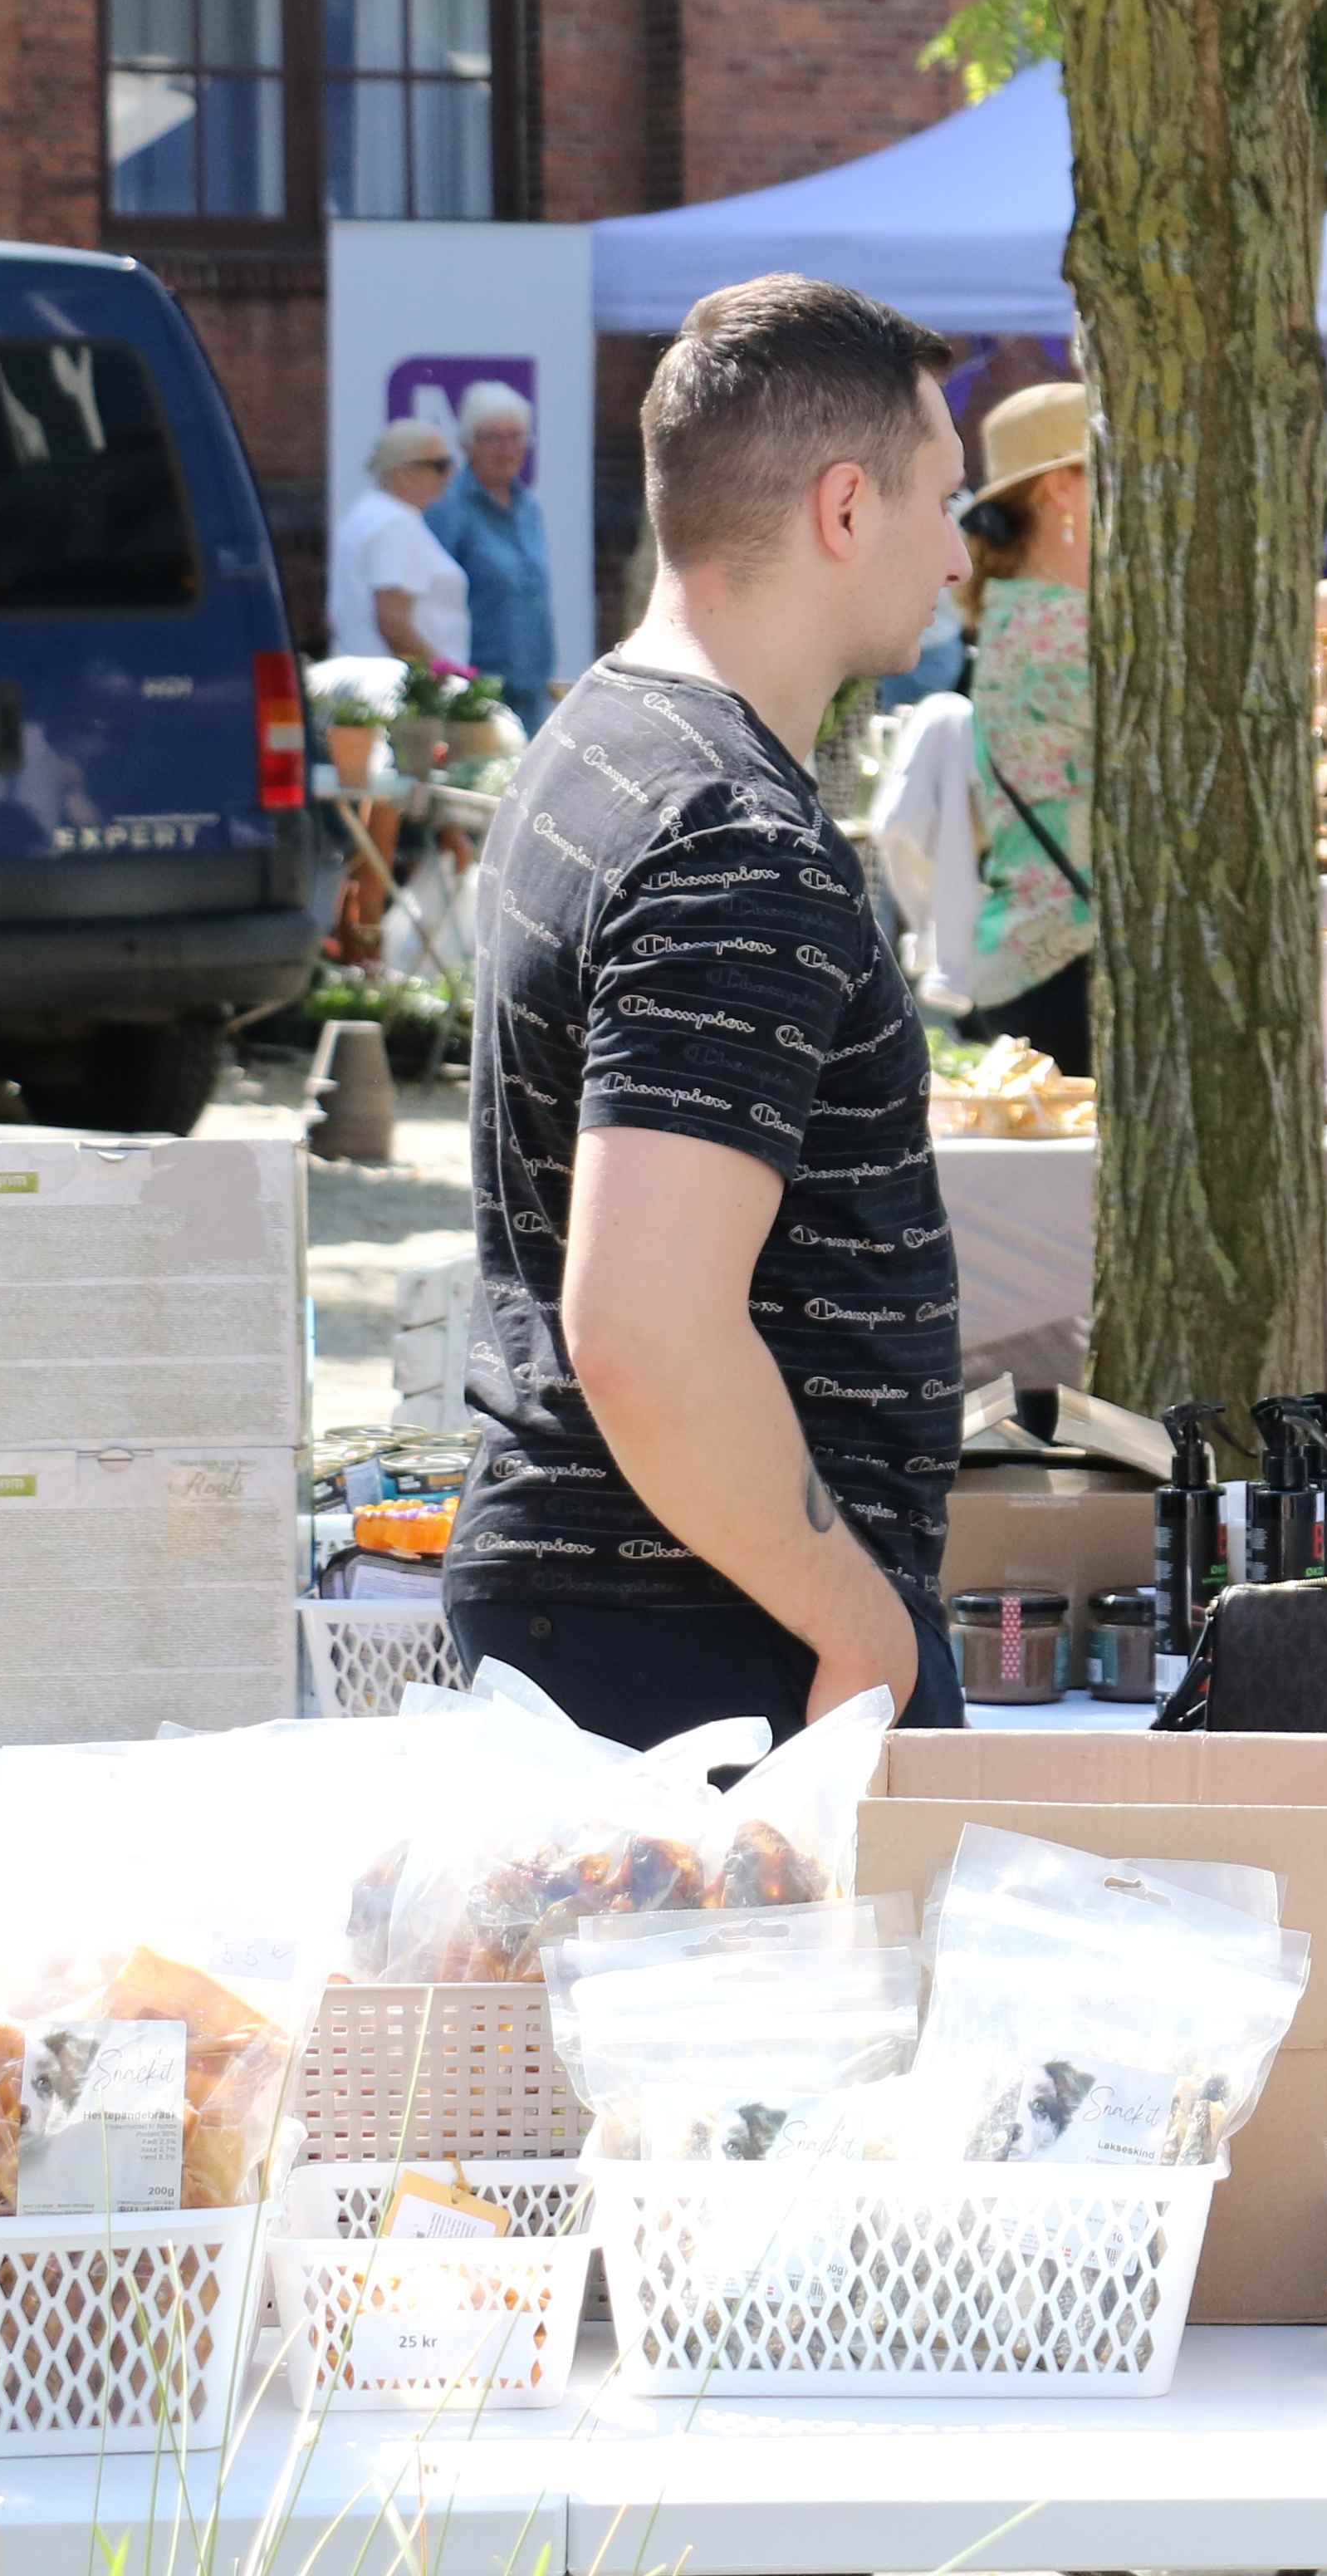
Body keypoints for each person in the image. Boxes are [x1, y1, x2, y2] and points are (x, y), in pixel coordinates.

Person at [445, 272, 976, 1744]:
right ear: (847, 508)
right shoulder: (728, 828)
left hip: (656, 1619)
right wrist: (859, 1621)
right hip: (711, 1645)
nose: (958, 551)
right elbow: (643, 1326)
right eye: (945, 499)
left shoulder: (603, 737)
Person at [955, 380, 1096, 1075]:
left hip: (1035, 959)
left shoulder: (1023, 611)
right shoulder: (1067, 628)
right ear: (1060, 491)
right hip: (1070, 966)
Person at [428, 383, 561, 727]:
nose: (507, 449)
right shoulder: (448, 508)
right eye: (492, 438)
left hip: (531, 688)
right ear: (467, 444)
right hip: (475, 690)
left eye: (516, 436)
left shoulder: (529, 508)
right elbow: (432, 602)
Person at [332, 415, 473, 671]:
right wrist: (447, 677)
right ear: (405, 473)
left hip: (366, 683)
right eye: (440, 465)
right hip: (403, 694)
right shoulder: (396, 523)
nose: (450, 475)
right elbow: (393, 622)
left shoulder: (364, 515)